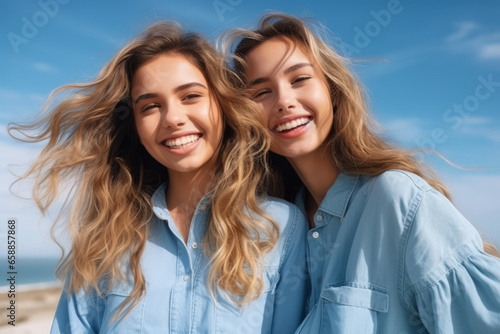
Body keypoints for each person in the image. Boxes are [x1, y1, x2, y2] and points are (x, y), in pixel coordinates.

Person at [9, 21, 308, 333]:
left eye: (191, 96)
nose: (173, 119)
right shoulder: (105, 238)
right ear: (136, 127)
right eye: (150, 106)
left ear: (223, 106)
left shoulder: (281, 227)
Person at [226, 13, 500, 333]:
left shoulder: (397, 198)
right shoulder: (274, 226)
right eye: (260, 92)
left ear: (333, 89)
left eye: (299, 79)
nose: (284, 101)